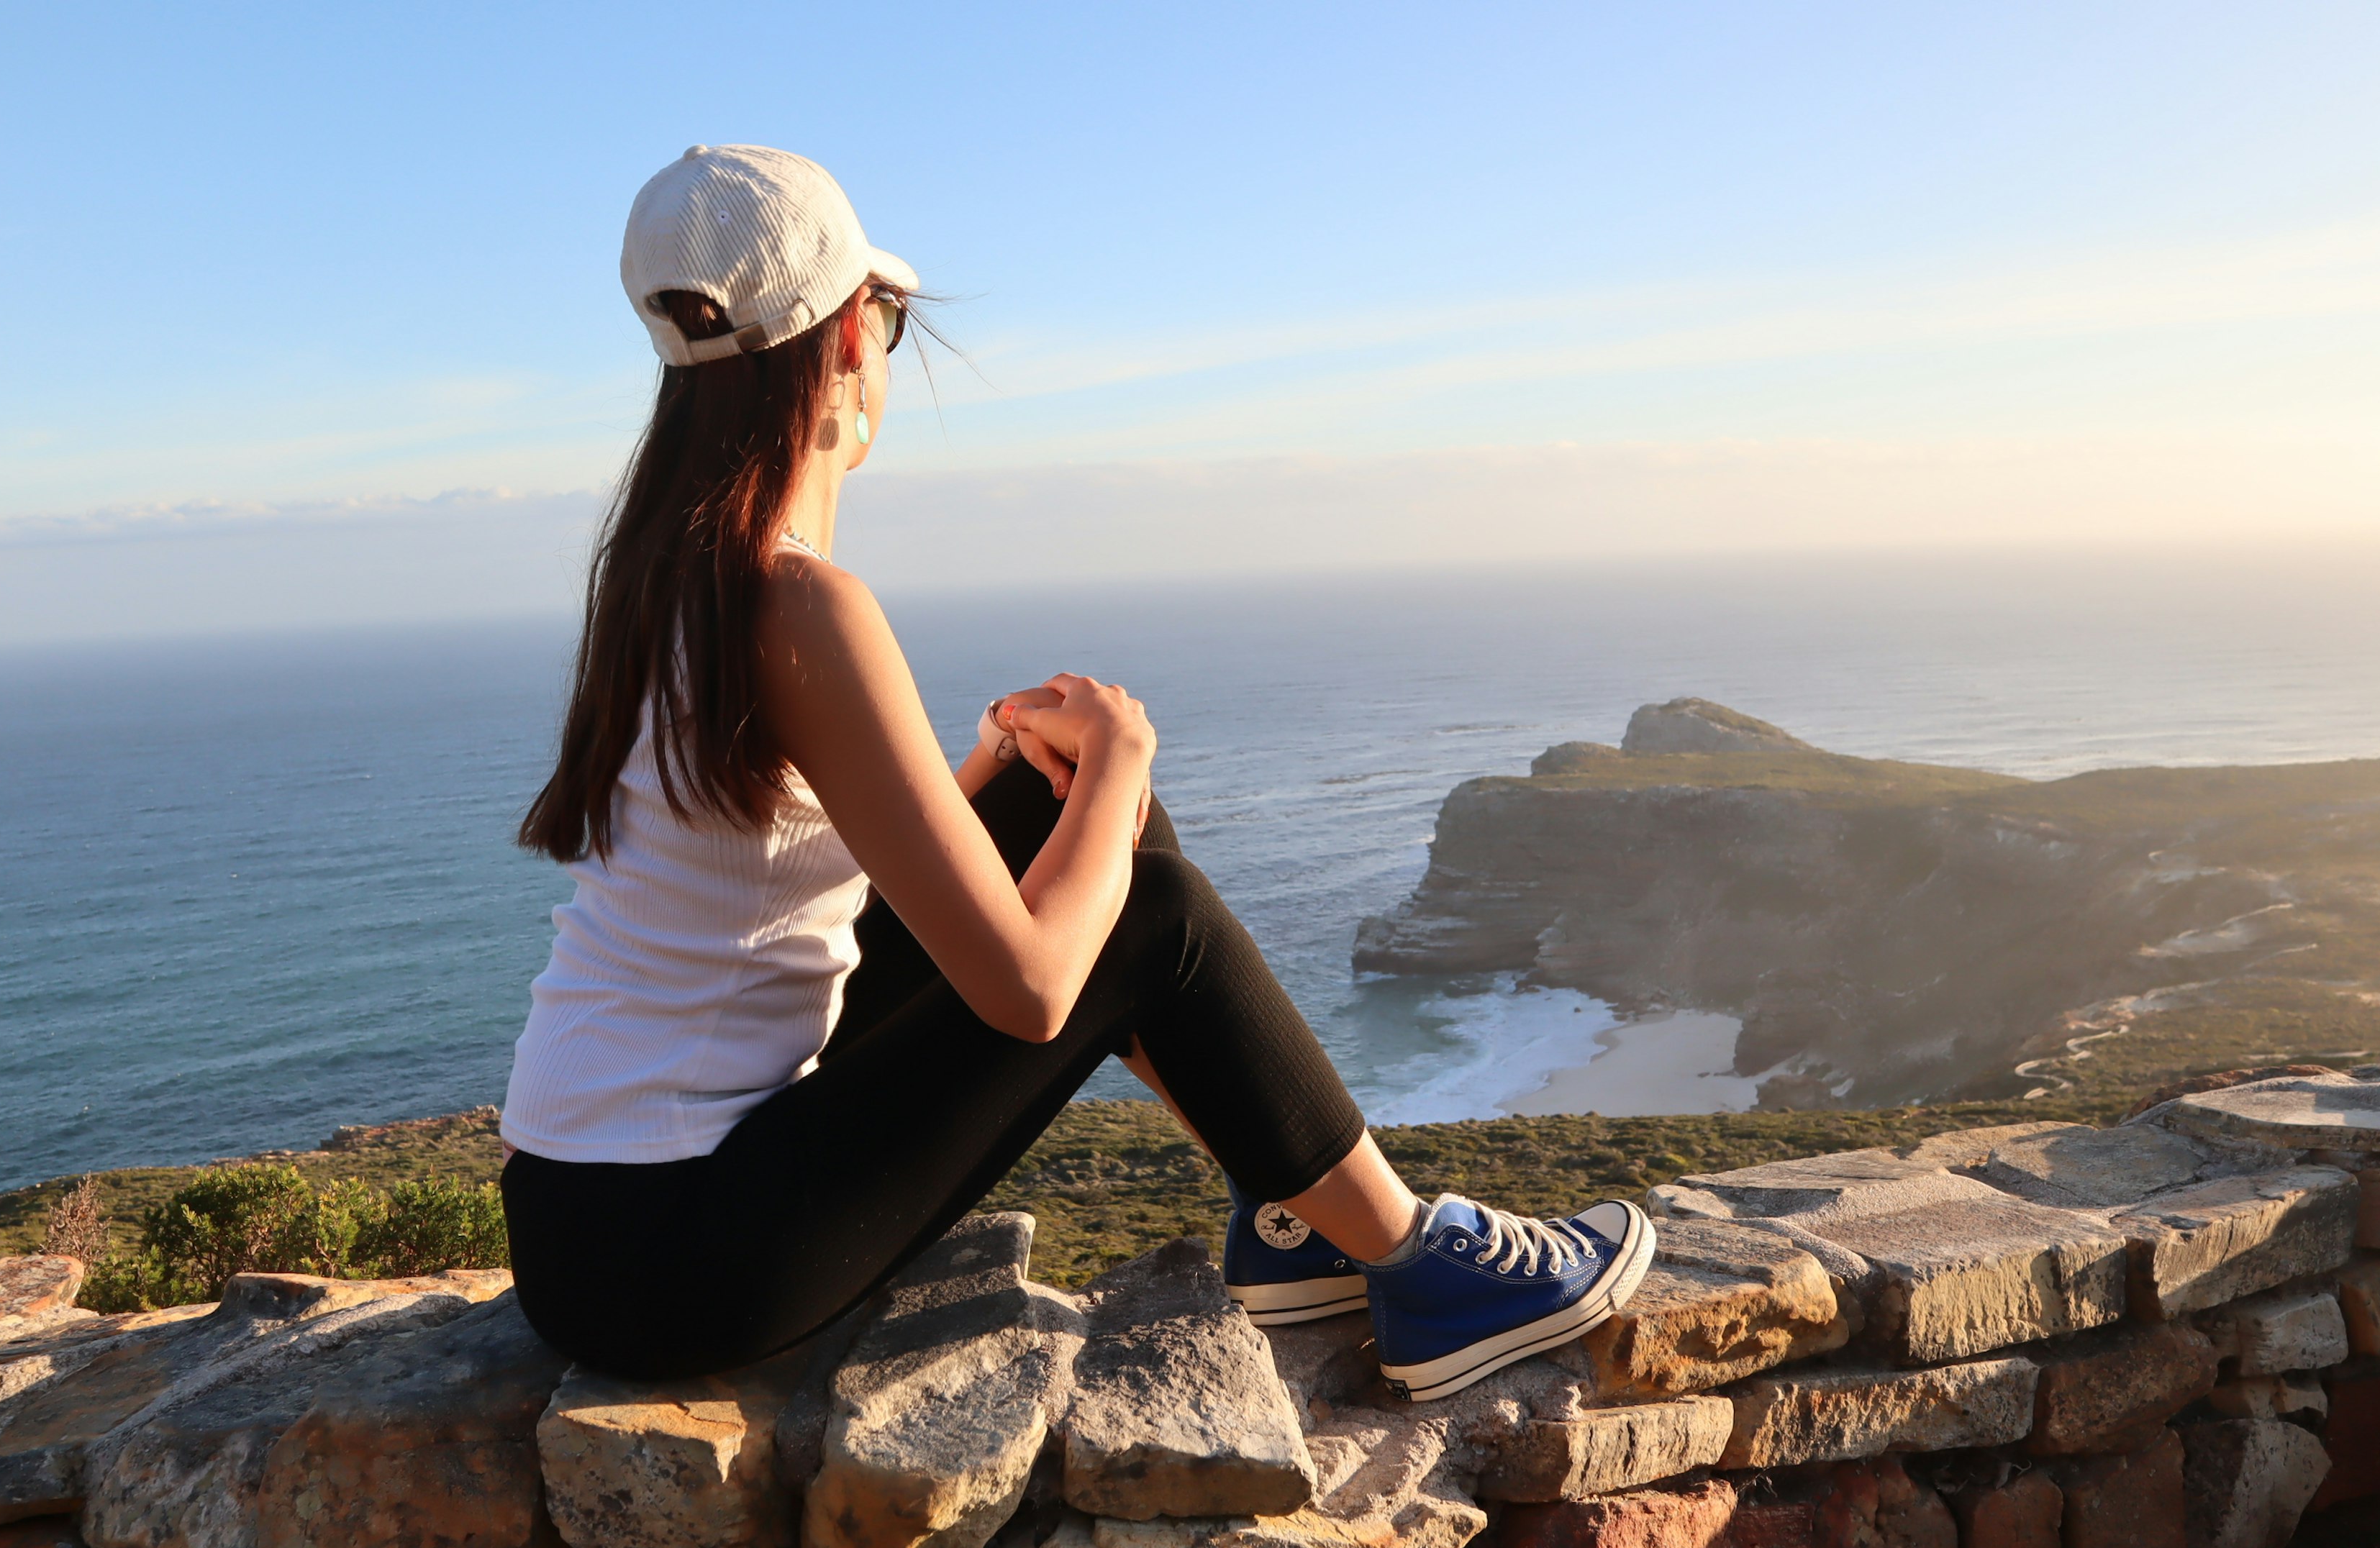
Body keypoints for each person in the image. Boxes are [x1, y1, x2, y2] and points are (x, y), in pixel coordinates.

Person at [498, 145, 1655, 1403]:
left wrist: (998, 772)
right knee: (1147, 918)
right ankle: (1427, 1269)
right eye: (883, 316)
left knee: (1058, 816)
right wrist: (1120, 758)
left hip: (589, 1220)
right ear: (844, 344)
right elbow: (1033, 993)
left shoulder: (665, 577)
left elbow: (778, 854)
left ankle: (1297, 1216)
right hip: (677, 1256)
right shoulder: (796, 602)